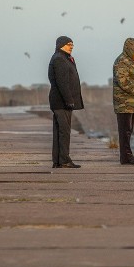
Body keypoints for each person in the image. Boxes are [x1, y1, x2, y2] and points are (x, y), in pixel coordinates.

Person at [48, 35, 84, 168]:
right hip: (61, 102)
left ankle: (58, 161)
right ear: (61, 45)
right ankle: (64, 160)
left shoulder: (61, 57)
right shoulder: (60, 59)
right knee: (64, 132)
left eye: (72, 45)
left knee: (60, 132)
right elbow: (62, 83)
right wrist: (69, 100)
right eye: (69, 44)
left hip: (59, 101)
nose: (72, 47)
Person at [112, 37, 134, 165]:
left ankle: (126, 156)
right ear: (131, 49)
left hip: (130, 103)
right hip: (124, 103)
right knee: (125, 131)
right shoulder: (122, 61)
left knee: (128, 130)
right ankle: (126, 157)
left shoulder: (129, 61)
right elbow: (123, 81)